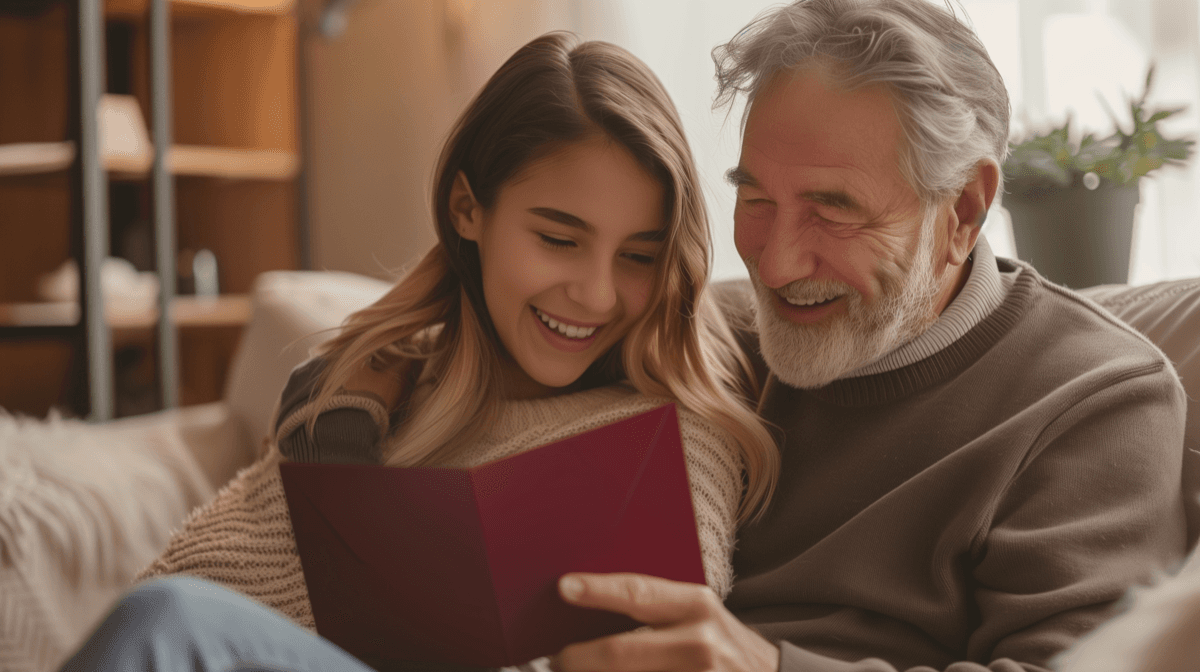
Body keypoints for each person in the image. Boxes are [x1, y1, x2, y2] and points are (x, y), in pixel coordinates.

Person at [60, 30, 780, 672]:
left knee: (170, 622)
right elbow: (212, 575)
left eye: (638, 256)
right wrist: (341, 429)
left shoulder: (678, 433)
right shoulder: (374, 387)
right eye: (559, 240)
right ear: (468, 209)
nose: (596, 294)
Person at [546, 1, 1194, 671]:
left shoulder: (1097, 400)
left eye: (833, 211)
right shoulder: (711, 340)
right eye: (757, 200)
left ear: (964, 211)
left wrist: (769, 669)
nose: (774, 265)